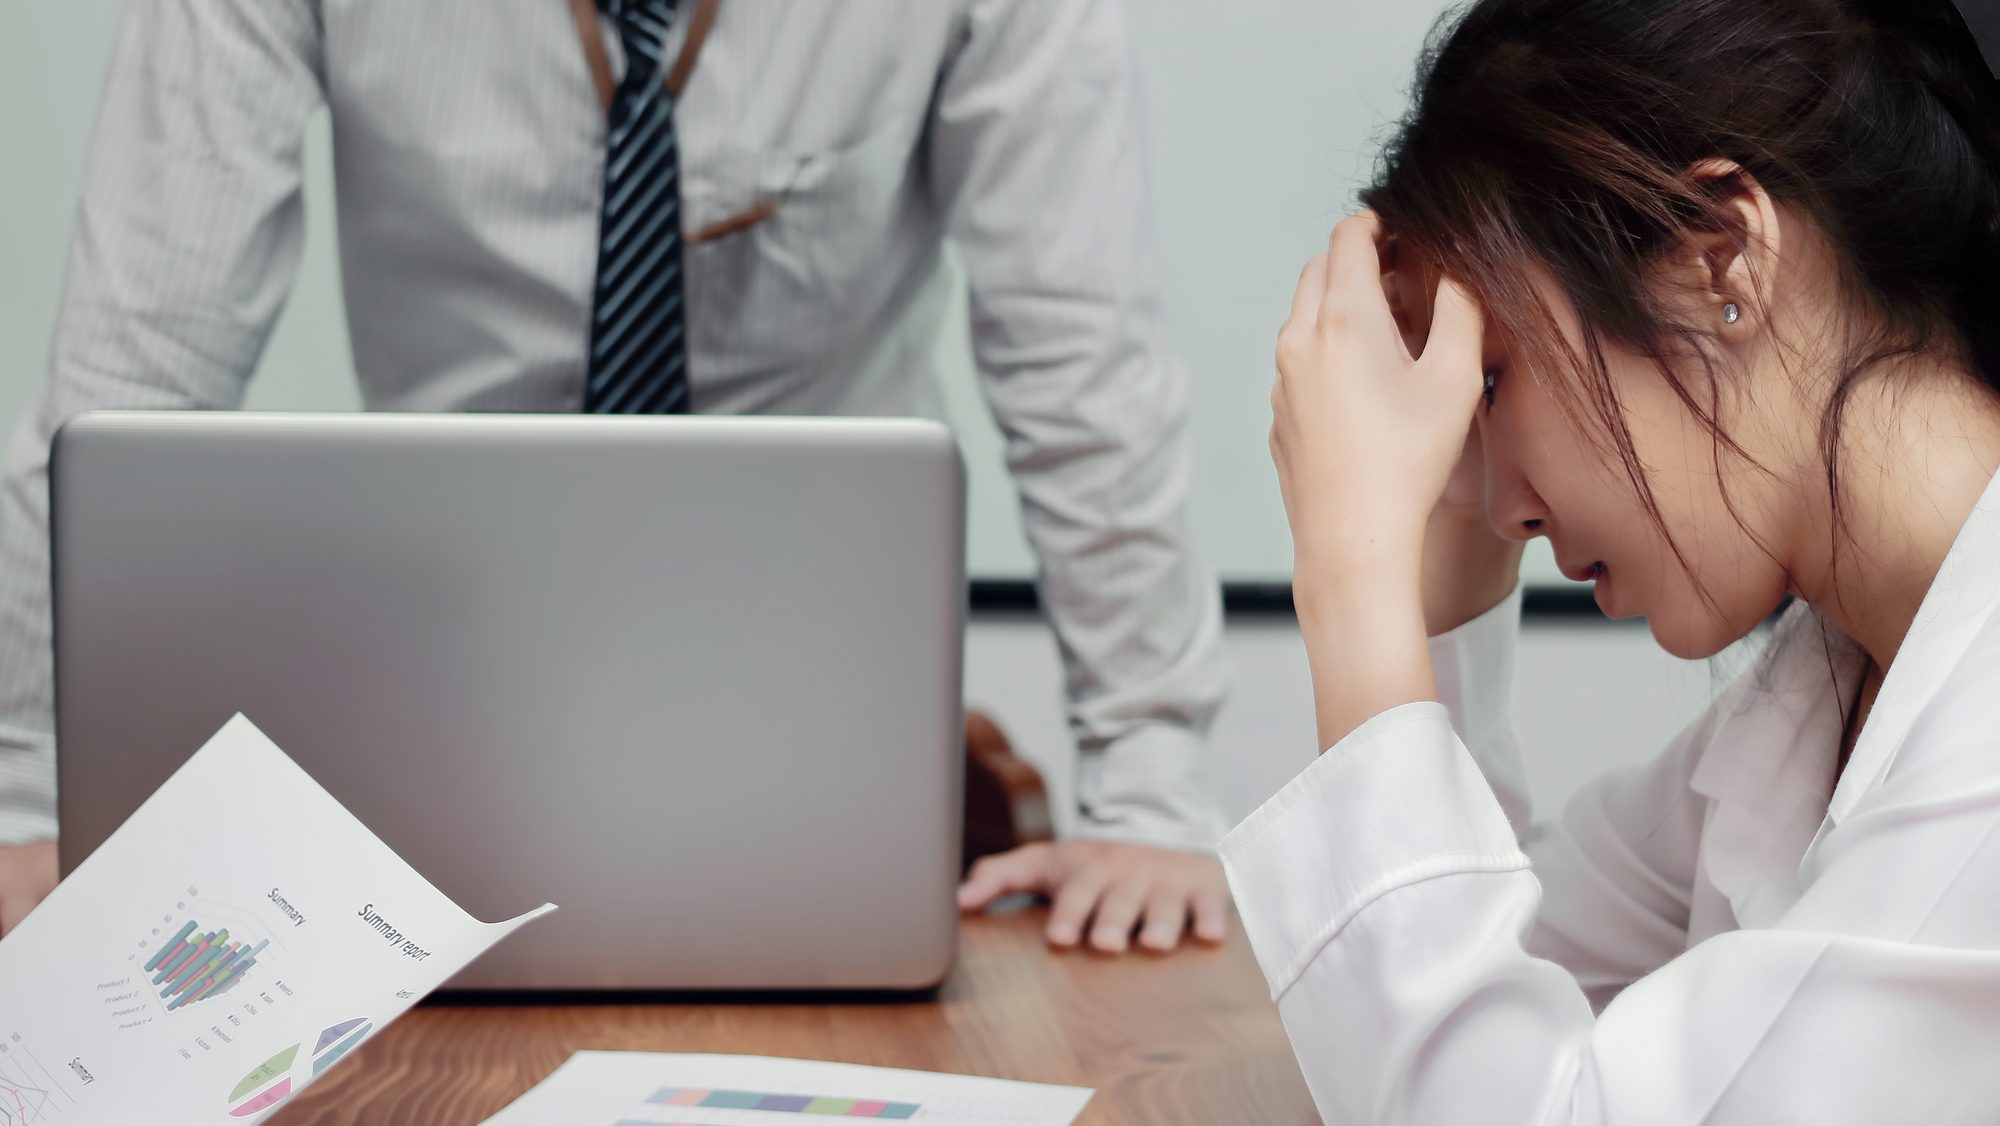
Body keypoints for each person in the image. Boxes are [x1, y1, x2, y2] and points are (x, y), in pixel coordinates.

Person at [0, 0, 1232, 952]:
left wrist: (1149, 799)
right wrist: (29, 801)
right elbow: (131, 371)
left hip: (817, 728)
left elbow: (1081, 365)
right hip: (427, 703)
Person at [1223, 0, 2000, 1120]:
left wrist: (1352, 572)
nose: (1497, 507)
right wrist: (1442, 546)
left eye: (1488, 381)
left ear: (1719, 257)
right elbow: (1468, 1008)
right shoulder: (1831, 682)